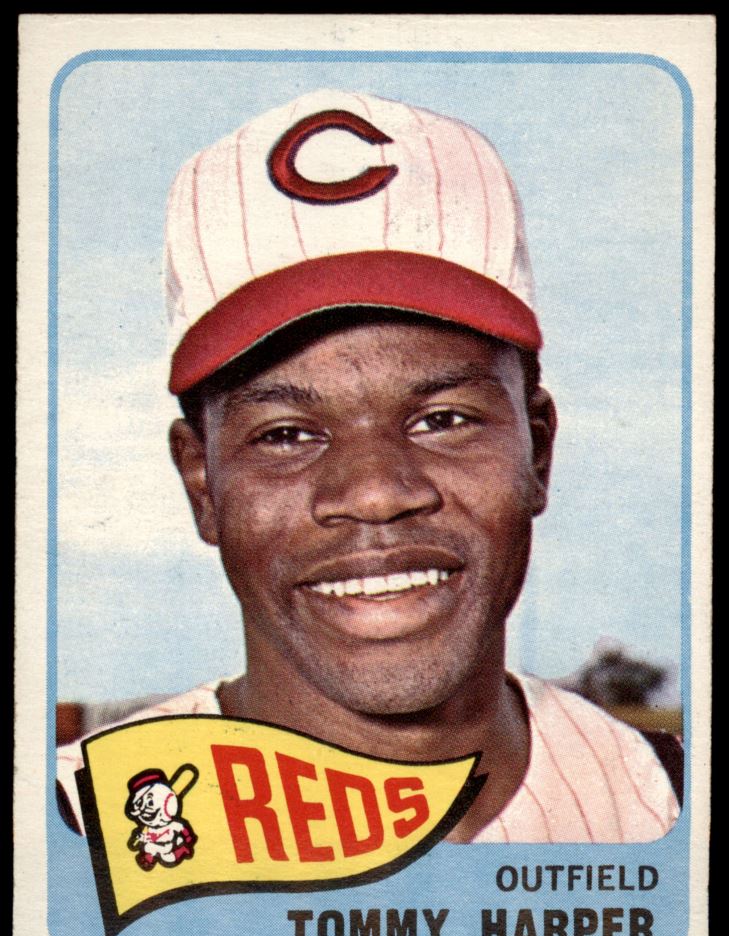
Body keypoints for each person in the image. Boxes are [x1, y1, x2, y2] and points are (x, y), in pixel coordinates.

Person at [57, 89, 680, 843]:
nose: (377, 493)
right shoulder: (66, 835)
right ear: (202, 485)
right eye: (286, 434)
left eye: (443, 420)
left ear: (537, 450)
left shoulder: (669, 808)